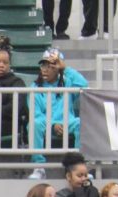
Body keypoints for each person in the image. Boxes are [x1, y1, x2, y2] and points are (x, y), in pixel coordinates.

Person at [29, 48, 87, 177]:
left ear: (58, 68)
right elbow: (35, 113)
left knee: (80, 123)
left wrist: (65, 69)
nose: (45, 69)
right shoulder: (35, 87)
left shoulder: (67, 82)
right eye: (43, 65)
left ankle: (79, 167)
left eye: (51, 66)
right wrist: (52, 125)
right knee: (35, 123)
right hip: (45, 122)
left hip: (68, 121)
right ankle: (39, 167)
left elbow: (84, 85)